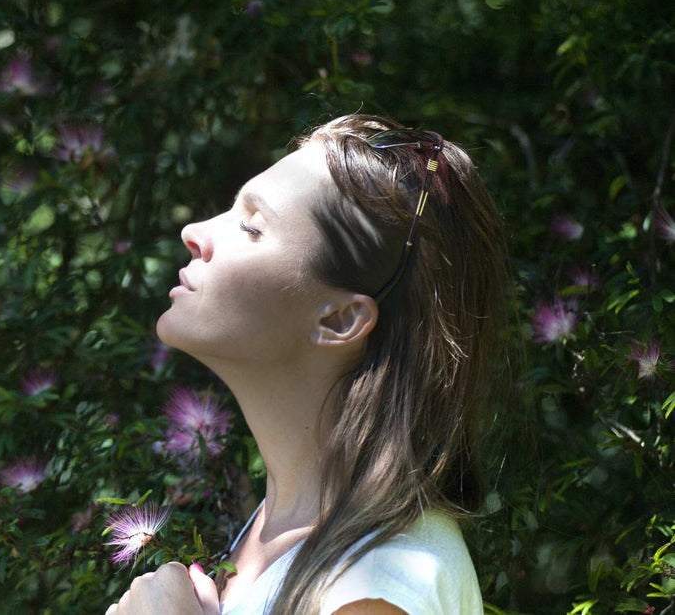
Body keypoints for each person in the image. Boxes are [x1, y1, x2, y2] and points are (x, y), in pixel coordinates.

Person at [106, 114, 511, 614]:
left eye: (251, 226)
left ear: (341, 319)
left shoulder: (376, 584)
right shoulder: (288, 530)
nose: (193, 232)